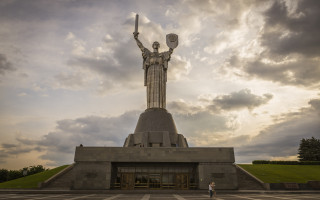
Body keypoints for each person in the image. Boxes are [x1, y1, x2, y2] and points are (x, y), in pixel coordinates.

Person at [133, 32, 173, 109]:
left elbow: (170, 52)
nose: (156, 44)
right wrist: (136, 39)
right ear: (152, 46)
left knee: (160, 88)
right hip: (151, 72)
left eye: (157, 44)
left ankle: (160, 106)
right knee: (151, 89)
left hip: (159, 71)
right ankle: (151, 107)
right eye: (154, 43)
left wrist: (172, 46)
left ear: (159, 46)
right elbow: (141, 47)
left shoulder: (162, 55)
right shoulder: (149, 54)